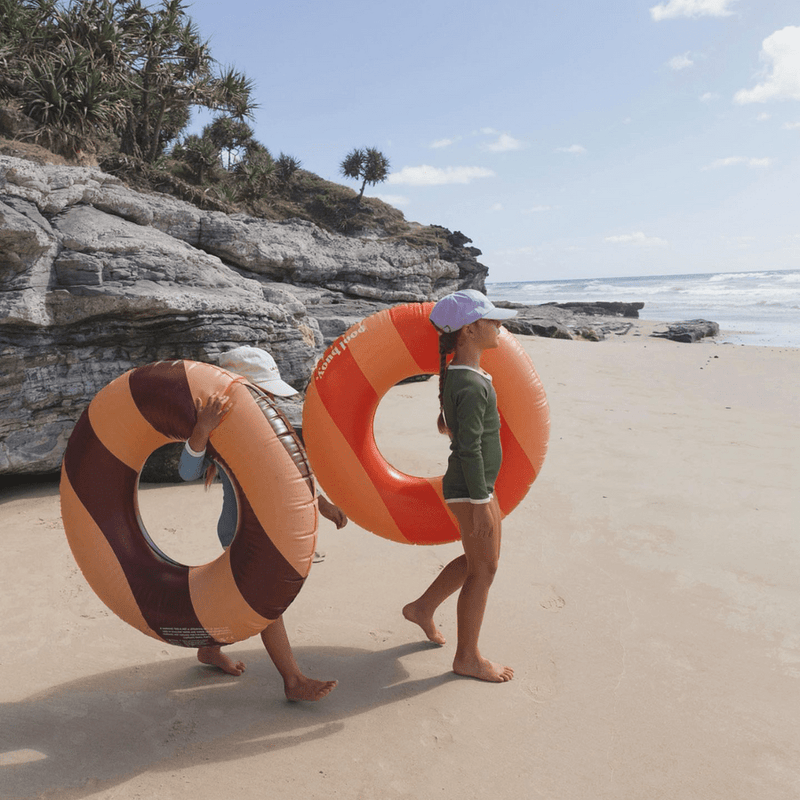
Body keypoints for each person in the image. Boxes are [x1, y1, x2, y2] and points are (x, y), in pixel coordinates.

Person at [179, 346, 347, 701]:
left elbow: (288, 477)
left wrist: (324, 505)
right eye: (259, 392)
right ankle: (293, 680)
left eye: (266, 393)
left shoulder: (268, 425)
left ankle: (209, 649)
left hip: (271, 528)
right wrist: (202, 428)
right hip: (242, 532)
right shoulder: (222, 428)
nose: (266, 399)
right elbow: (187, 471)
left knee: (238, 596)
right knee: (267, 602)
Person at [402, 290, 518, 683]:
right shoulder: (468, 383)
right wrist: (483, 500)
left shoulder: (462, 376)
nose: (500, 325)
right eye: (493, 320)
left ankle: (422, 608)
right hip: (473, 489)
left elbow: (449, 425)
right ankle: (467, 657)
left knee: (479, 563)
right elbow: (467, 447)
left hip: (476, 485)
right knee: (484, 571)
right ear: (470, 330)